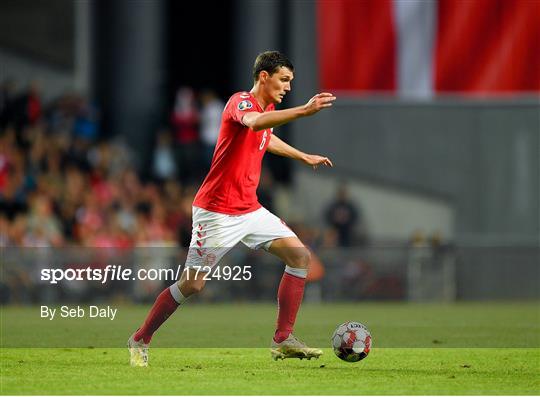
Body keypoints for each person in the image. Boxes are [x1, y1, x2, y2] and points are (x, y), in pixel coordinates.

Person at [128, 51, 336, 366]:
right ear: (264, 76)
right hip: (216, 212)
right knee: (193, 284)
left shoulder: (266, 110)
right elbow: (254, 124)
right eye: (284, 79)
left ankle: (282, 340)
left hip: (250, 209)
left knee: (300, 256)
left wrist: (303, 156)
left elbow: (266, 136)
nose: (288, 87)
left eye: (291, 82)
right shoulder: (240, 102)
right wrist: (303, 112)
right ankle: (140, 338)